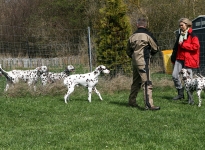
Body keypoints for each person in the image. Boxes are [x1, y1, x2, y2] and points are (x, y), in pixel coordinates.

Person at [126, 17, 160, 110]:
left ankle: (132, 101)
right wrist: (150, 54)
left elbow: (128, 51)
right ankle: (149, 105)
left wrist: (134, 57)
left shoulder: (132, 36)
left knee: (136, 82)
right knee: (147, 83)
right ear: (146, 25)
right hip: (143, 62)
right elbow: (156, 48)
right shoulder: (148, 35)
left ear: (137, 25)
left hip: (135, 62)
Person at [171, 18, 200, 100]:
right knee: (174, 76)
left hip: (188, 60)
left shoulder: (193, 35)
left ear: (187, 25)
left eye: (182, 25)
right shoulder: (180, 35)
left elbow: (196, 46)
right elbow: (176, 47)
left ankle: (190, 97)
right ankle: (180, 93)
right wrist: (173, 57)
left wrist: (183, 45)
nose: (180, 27)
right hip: (179, 58)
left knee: (189, 79)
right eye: (179, 25)